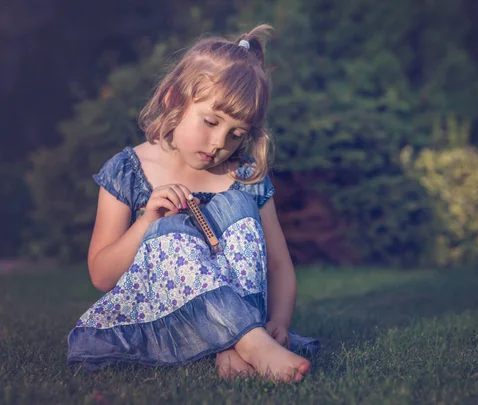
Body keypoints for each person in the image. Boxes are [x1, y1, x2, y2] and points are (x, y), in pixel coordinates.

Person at [66, 24, 318, 383]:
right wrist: (146, 221)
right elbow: (101, 275)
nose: (218, 142)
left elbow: (278, 265)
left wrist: (280, 321)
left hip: (246, 308)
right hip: (163, 321)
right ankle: (249, 344)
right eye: (211, 122)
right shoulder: (128, 171)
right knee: (169, 229)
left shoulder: (245, 176)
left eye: (236, 134)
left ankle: (236, 344)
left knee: (238, 209)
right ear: (174, 100)